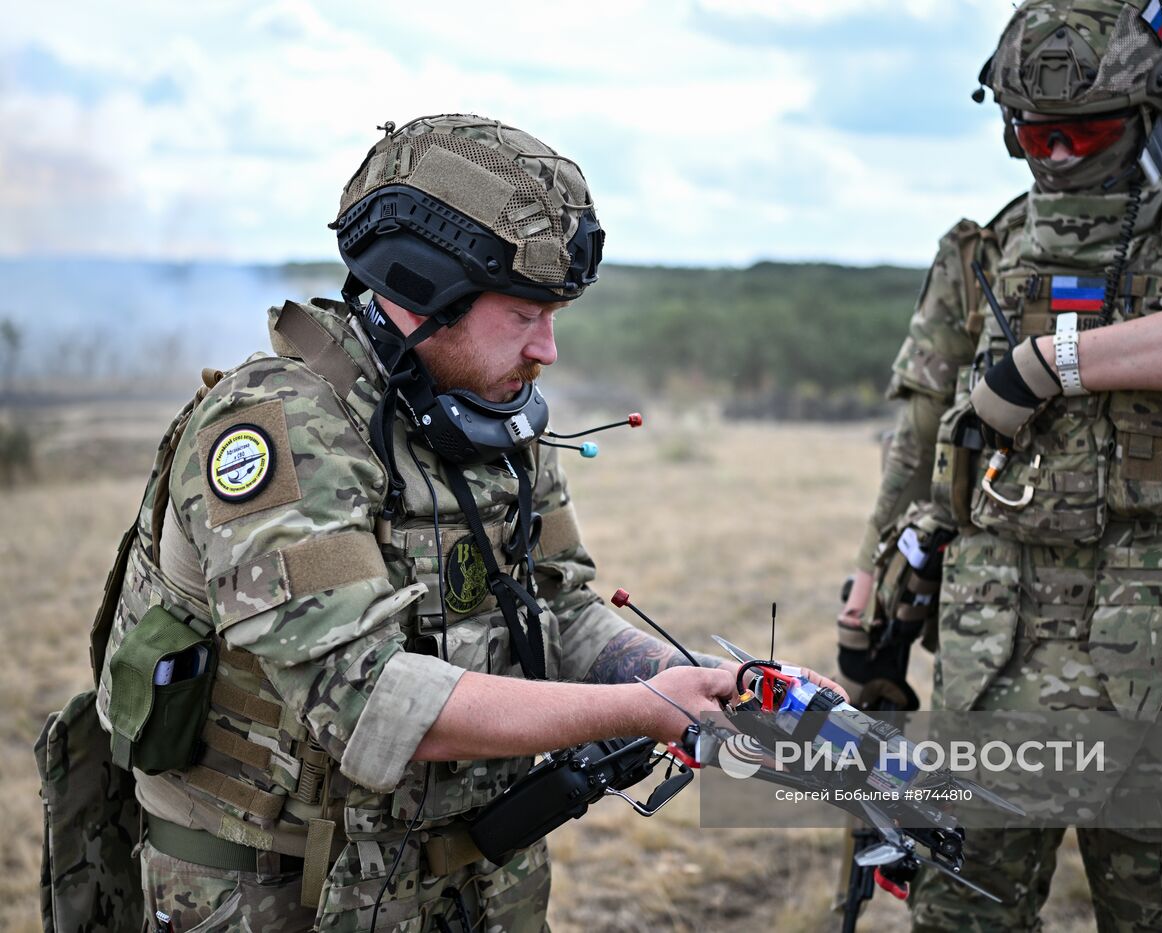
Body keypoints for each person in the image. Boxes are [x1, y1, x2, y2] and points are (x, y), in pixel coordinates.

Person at [79, 113, 841, 932]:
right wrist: (647, 706)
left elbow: (564, 610)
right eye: (522, 314)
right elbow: (367, 703)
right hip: (284, 895)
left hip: (474, 883)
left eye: (556, 315)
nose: (548, 349)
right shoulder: (285, 427)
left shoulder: (492, 414)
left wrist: (700, 683)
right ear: (422, 291)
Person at [837, 2, 1162, 930]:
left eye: (1087, 129)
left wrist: (1047, 367)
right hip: (988, 671)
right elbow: (916, 448)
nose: (1056, 154)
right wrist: (874, 588)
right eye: (1033, 131)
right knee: (958, 916)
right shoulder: (981, 252)